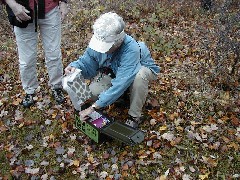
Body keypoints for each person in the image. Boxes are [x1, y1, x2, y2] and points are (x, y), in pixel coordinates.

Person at [65, 12, 160, 128]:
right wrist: (75, 66)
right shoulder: (99, 37)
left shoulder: (131, 49)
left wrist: (93, 107)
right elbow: (87, 60)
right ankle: (121, 97)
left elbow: (121, 82)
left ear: (118, 41)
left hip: (141, 69)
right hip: (114, 71)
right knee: (92, 94)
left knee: (139, 77)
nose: (102, 50)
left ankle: (135, 116)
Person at [2, 0, 68, 107]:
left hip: (50, 10)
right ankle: (29, 91)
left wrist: (64, 2)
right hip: (22, 12)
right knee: (26, 60)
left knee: (54, 54)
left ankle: (57, 86)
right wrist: (13, 5)